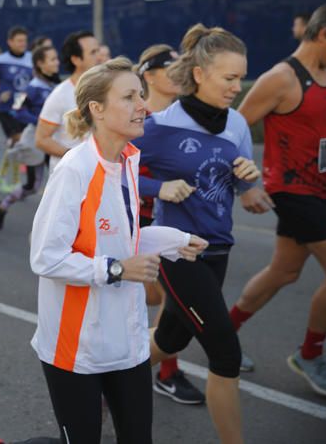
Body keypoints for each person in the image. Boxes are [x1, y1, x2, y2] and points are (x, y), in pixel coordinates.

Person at [31, 57, 207, 444]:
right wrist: (114, 270)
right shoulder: (75, 169)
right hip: (77, 348)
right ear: (97, 108)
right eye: (129, 97)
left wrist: (175, 240)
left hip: (127, 342)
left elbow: (121, 239)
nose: (142, 105)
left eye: (141, 95)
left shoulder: (127, 159)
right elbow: (45, 257)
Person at [134, 24, 261, 444]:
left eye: (240, 77)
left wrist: (249, 177)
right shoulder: (161, 126)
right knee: (225, 355)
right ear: (201, 74)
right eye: (229, 78)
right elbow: (113, 175)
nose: (237, 87)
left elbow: (243, 189)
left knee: (171, 337)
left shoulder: (238, 123)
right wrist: (159, 188)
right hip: (178, 251)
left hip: (219, 248)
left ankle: (112, 379)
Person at [229, 1, 326, 397]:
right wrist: (245, 184)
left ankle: (225, 331)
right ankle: (309, 353)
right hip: (290, 190)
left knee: (284, 272)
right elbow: (235, 129)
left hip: (319, 191)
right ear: (324, 34)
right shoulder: (281, 78)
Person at [134, 44, 206, 405]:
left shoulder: (184, 118)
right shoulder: (135, 115)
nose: (180, 70)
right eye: (171, 65)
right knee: (166, 298)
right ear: (149, 75)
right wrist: (158, 188)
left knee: (174, 298)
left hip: (169, 222)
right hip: (133, 220)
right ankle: (157, 368)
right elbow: (116, 170)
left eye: (182, 64)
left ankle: (163, 367)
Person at [0, 44, 60, 230]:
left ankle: (55, 225)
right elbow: (17, 110)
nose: (57, 63)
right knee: (32, 185)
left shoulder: (56, 86)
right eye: (52, 59)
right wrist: (41, 121)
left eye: (57, 58)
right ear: (40, 64)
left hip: (55, 141)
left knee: (60, 181)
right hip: (36, 141)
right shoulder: (33, 88)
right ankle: (2, 206)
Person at [35, 30, 102, 172]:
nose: (100, 56)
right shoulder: (60, 95)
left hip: (101, 174)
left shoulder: (107, 89)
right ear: (76, 59)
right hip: (70, 178)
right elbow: (41, 139)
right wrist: (74, 157)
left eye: (99, 50)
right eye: (93, 52)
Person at [0, 26, 32, 140]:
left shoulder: (31, 58)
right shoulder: (1, 60)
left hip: (26, 107)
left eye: (25, 41)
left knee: (25, 143)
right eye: (19, 41)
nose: (23, 44)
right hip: (7, 109)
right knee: (17, 139)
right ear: (10, 42)